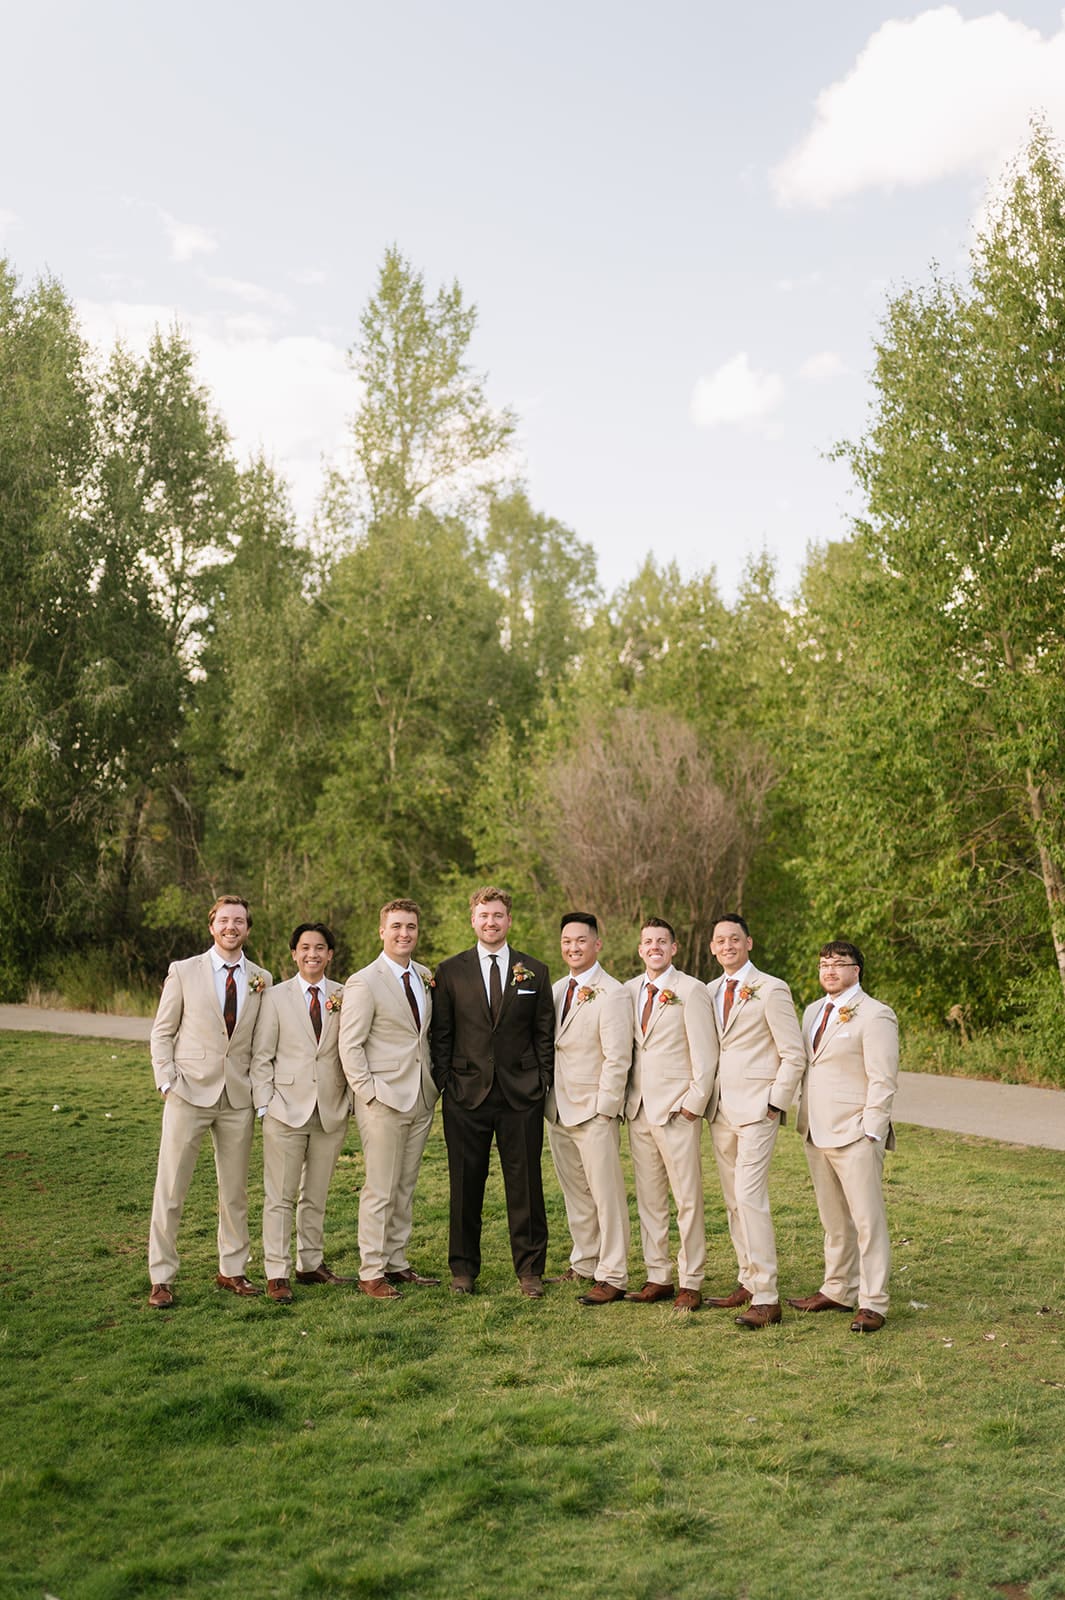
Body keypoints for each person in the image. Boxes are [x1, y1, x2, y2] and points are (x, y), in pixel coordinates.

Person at [147, 895, 272, 1308]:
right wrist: (167, 1082)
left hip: (237, 1098)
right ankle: (161, 1276)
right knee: (171, 1189)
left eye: (239, 921)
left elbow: (260, 1042)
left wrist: (258, 1093)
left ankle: (232, 1270)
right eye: (224, 920)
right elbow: (162, 1032)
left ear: (247, 928)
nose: (231, 927)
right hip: (188, 1093)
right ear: (212, 926)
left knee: (235, 1192)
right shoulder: (184, 971)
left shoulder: (261, 978)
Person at [430, 887, 554, 1298]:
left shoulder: (534, 970)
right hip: (466, 1095)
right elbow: (442, 1034)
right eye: (484, 915)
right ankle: (463, 1270)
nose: (491, 922)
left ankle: (530, 1270)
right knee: (465, 1186)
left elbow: (543, 1032)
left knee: (526, 1185)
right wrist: (446, 1080)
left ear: (509, 920)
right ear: (473, 920)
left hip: (521, 1095)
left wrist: (542, 1079)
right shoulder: (450, 971)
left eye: (498, 915)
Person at [788, 941, 899, 1334]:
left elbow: (883, 1079)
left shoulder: (876, 1014)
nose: (830, 970)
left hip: (855, 1133)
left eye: (838, 963)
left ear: (856, 970)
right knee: (833, 1218)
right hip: (816, 1130)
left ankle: (873, 1301)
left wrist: (871, 1131)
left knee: (867, 1221)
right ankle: (837, 1288)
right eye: (824, 964)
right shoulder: (812, 1011)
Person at [705, 914, 806, 1329]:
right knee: (733, 1201)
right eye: (720, 940)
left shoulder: (771, 988)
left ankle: (767, 1296)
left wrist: (774, 1102)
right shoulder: (709, 991)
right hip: (721, 1111)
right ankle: (747, 1279)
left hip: (757, 1110)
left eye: (734, 938)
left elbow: (793, 1053)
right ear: (712, 948)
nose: (727, 945)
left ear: (749, 943)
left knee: (750, 1197)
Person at [338, 899, 440, 1298]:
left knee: (404, 1186)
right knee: (380, 1189)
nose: (404, 933)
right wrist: (369, 1093)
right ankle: (371, 1271)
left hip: (420, 1096)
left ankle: (396, 1261)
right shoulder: (364, 981)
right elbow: (350, 1046)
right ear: (381, 931)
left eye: (411, 926)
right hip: (382, 1100)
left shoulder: (424, 976)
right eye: (396, 926)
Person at [251, 922, 352, 1304]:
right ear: (294, 954)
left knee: (316, 1193)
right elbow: (262, 1056)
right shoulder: (275, 997)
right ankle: (277, 1272)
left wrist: (349, 1101)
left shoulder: (344, 994)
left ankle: (310, 1263)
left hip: (330, 1109)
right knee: (280, 1195)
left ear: (330, 954)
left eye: (320, 947)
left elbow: (351, 1048)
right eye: (305, 947)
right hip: (285, 1109)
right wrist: (266, 1104)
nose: (313, 954)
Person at [623, 917, 717, 1311]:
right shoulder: (628, 991)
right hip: (639, 1109)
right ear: (640, 949)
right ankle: (657, 1275)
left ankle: (691, 1280)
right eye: (648, 942)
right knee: (649, 1198)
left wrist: (694, 1104)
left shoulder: (691, 990)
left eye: (662, 941)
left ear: (673, 948)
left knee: (687, 1199)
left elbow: (706, 1053)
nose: (655, 947)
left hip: (678, 1110)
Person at [545, 912, 632, 1305]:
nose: (573, 947)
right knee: (575, 1193)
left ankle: (613, 1274)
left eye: (581, 940)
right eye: (567, 941)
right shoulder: (556, 989)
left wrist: (605, 1108)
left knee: (606, 1195)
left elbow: (618, 1057)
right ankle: (584, 1262)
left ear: (597, 944)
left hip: (594, 1110)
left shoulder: (612, 993)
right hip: (558, 1108)